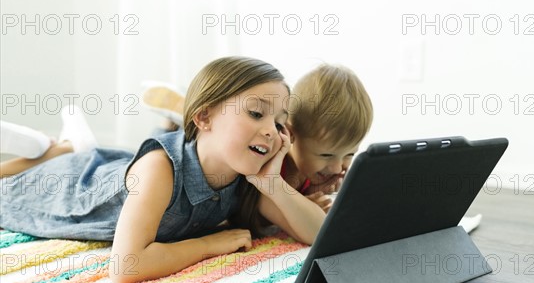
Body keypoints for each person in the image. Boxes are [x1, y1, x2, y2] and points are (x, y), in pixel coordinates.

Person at [0, 56, 326, 283]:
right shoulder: (160, 167)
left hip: (111, 167)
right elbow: (126, 267)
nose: (271, 130)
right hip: (72, 188)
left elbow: (318, 235)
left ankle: (68, 147)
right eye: (257, 113)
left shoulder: (247, 175)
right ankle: (58, 152)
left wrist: (273, 184)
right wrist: (209, 245)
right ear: (203, 117)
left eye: (279, 122)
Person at [141, 64, 374, 226]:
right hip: (190, 145)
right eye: (326, 155)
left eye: (350, 154)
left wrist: (315, 193)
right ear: (289, 133)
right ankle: (180, 111)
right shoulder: (269, 162)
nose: (337, 168)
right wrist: (303, 203)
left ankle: (179, 116)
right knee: (187, 141)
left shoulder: (321, 170)